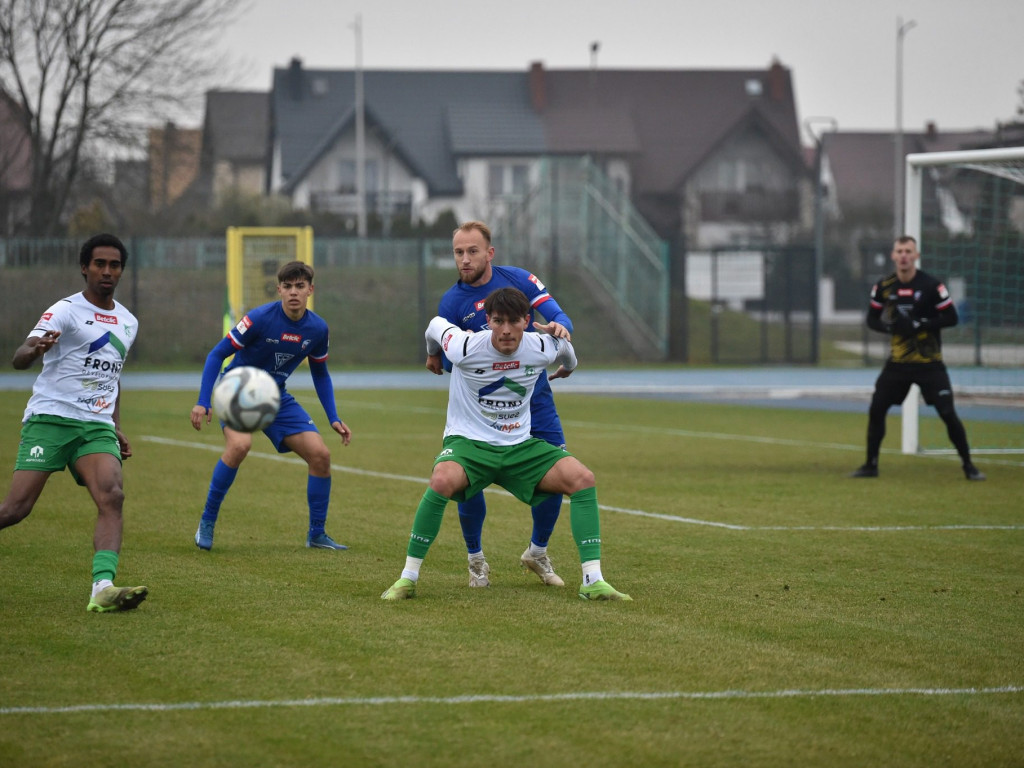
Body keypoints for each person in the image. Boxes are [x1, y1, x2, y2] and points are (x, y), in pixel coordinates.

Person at [383, 286, 630, 602]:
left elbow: (568, 351)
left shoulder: (541, 345)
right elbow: (434, 325)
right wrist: (433, 352)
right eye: (498, 321)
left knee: (583, 479)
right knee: (442, 479)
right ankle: (407, 579)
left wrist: (567, 368)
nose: (506, 330)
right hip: (469, 444)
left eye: (514, 321)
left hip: (519, 447)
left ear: (526, 321)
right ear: (488, 321)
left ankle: (593, 580)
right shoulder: (464, 345)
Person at [0, 233, 148, 613]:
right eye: (99, 264)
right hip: (51, 418)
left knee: (112, 495)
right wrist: (34, 348)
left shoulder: (128, 322)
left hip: (95, 425)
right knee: (16, 509)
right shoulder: (64, 310)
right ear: (85, 267)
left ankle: (102, 587)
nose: (107, 271)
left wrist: (114, 425)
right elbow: (19, 357)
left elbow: (112, 377)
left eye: (114, 265)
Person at [426, 220, 571, 589]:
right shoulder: (452, 301)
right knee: (468, 483)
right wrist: (436, 357)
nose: (465, 259)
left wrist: (558, 328)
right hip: (484, 410)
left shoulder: (520, 279)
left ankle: (537, 552)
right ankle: (476, 559)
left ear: (489, 253)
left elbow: (557, 315)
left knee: (557, 474)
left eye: (472, 251)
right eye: (458, 252)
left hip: (534, 398)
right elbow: (449, 351)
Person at [190, 260, 353, 550]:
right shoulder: (259, 318)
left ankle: (317, 534)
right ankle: (207, 521)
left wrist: (333, 417)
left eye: (300, 286)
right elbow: (216, 354)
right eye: (288, 286)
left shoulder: (317, 328)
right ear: (278, 289)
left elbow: (320, 373)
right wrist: (203, 401)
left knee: (321, 456)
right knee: (239, 447)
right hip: (237, 389)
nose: (293, 292)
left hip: (274, 395)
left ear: (310, 290)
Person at [851, 235, 985, 480]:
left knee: (947, 412)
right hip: (898, 364)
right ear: (893, 256)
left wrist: (920, 324)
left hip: (929, 363)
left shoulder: (932, 286)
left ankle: (969, 466)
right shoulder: (883, 286)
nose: (903, 255)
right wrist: (891, 328)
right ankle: (871, 465)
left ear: (916, 256)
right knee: (877, 408)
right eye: (899, 251)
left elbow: (951, 318)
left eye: (908, 251)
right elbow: (872, 319)